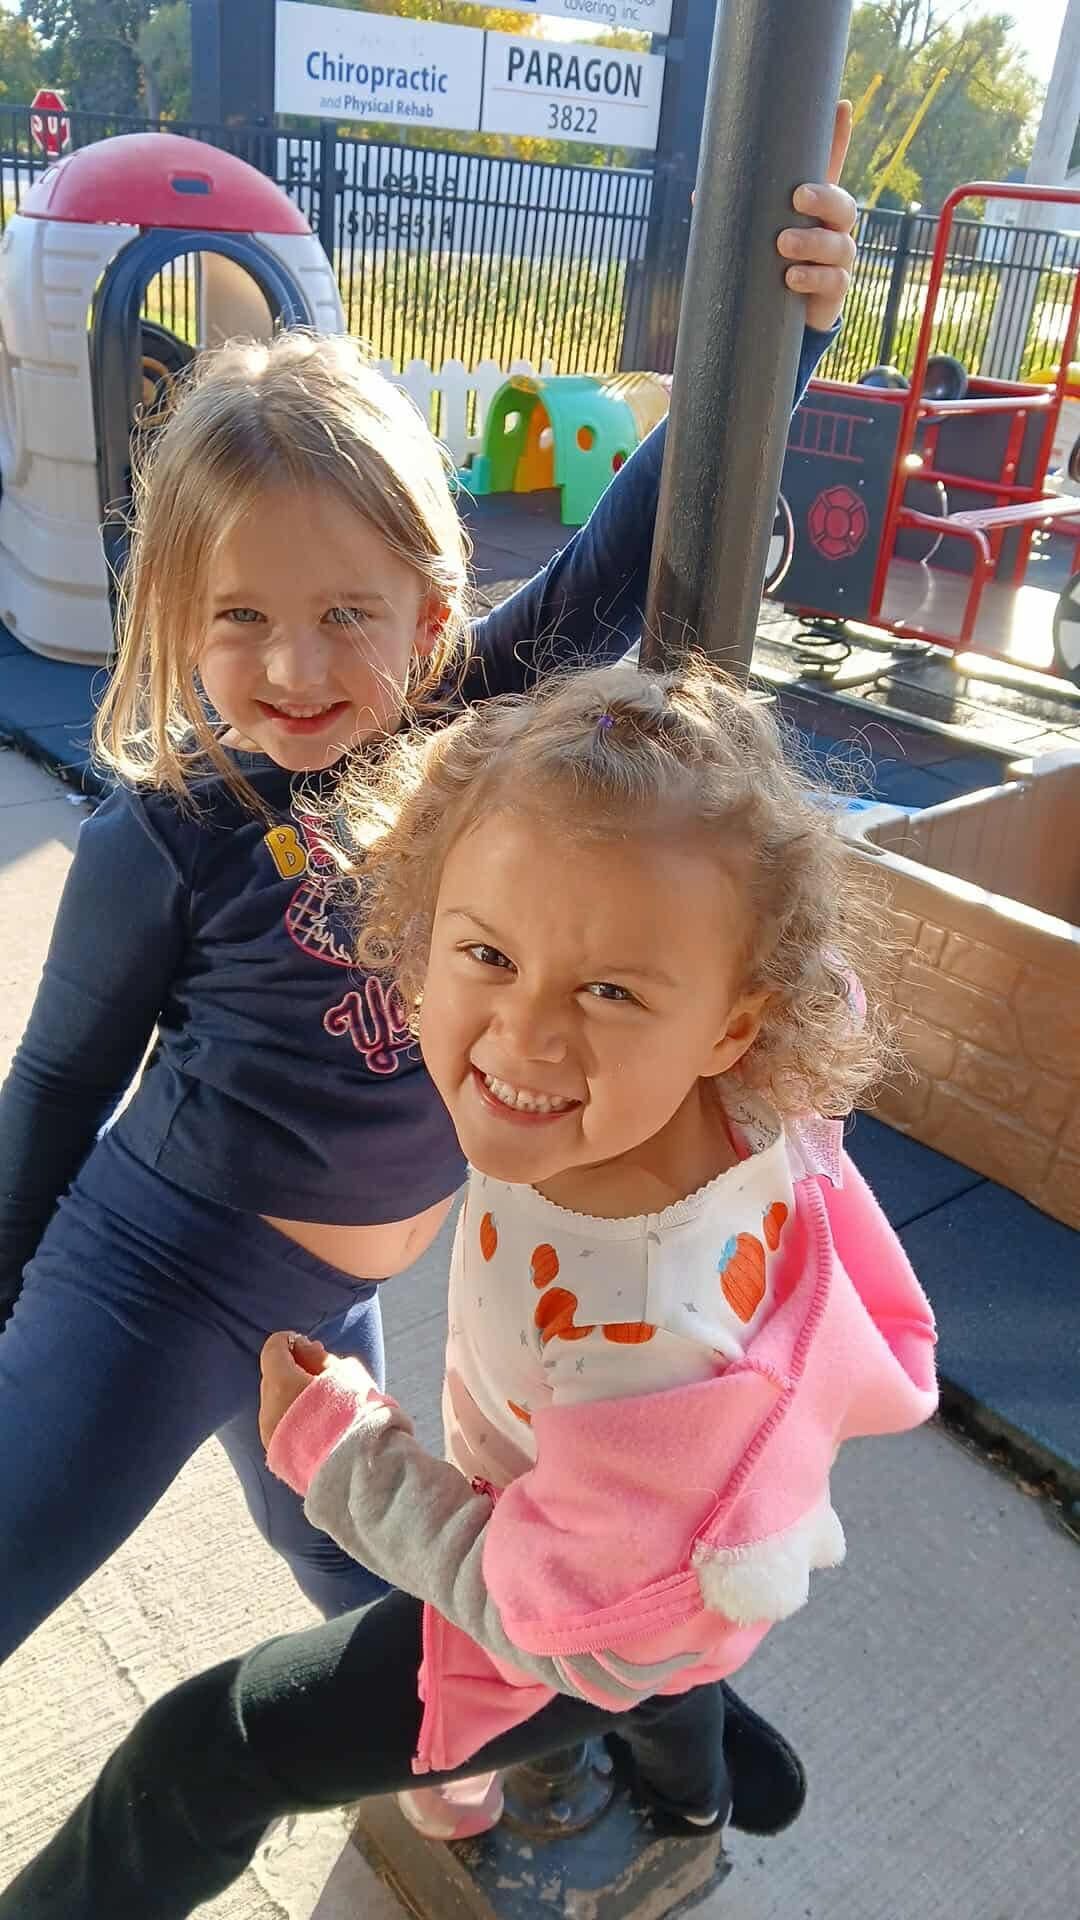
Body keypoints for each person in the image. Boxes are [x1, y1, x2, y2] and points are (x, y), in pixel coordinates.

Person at [0, 136, 858, 1666]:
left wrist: (783, 326)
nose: (299, 668)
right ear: (176, 623)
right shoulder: (174, 837)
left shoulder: (470, 740)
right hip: (155, 1280)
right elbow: (58, 1085)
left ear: (434, 612)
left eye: (348, 616)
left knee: (378, 1591)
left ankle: (449, 1763)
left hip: (339, 1310)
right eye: (241, 620)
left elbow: (634, 546)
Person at [0, 658, 938, 1919]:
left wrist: (343, 1449)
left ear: (731, 1020)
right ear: (418, 930)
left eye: (611, 990)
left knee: (204, 1754)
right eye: (487, 953)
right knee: (678, 1667)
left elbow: (562, 1617)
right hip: (655, 1549)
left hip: (584, 1598)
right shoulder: (717, 1083)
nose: (524, 1038)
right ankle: (702, 1793)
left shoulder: (652, 1347)